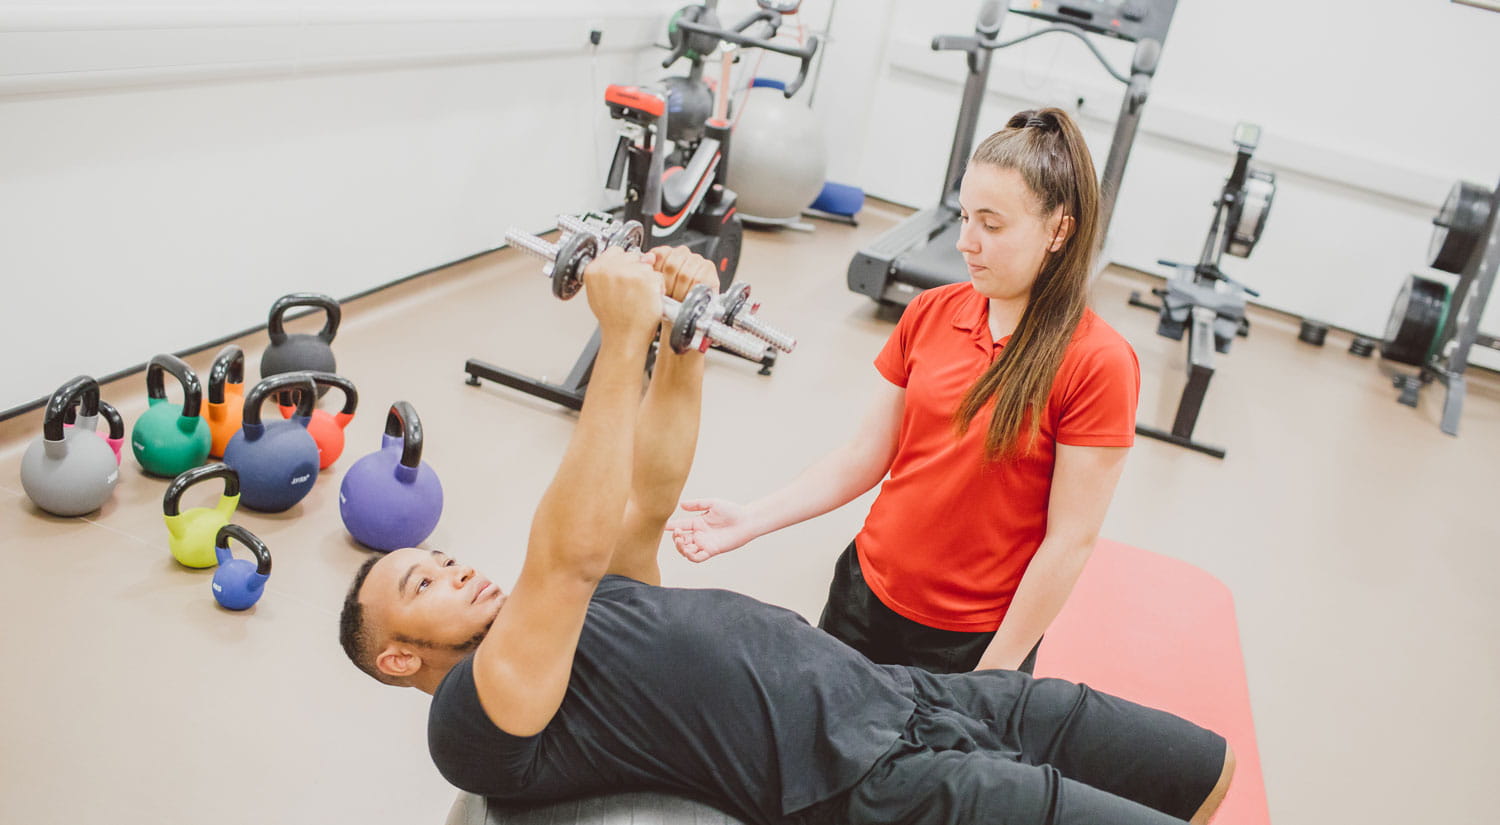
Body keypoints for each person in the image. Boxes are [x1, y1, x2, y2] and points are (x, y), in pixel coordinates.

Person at [338, 245, 1234, 825]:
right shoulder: (475, 718)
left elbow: (647, 498)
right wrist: (618, 342)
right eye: (424, 584)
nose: (456, 571)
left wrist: (678, 349)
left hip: (910, 690)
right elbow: (563, 562)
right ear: (398, 660)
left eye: (442, 557)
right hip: (866, 780)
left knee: (1206, 768)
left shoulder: (577, 616)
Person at [666, 107, 1138, 675]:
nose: (967, 242)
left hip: (969, 646)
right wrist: (751, 518)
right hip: (862, 597)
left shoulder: (1098, 363)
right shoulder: (930, 312)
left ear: (1059, 229)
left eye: (991, 225)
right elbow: (868, 454)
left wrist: (996, 675)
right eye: (964, 217)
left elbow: (1068, 543)